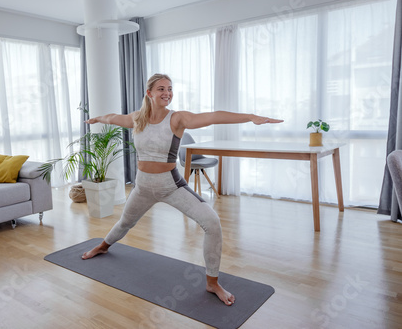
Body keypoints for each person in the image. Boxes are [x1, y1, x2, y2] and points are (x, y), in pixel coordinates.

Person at [81, 73, 283, 306]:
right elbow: (114, 117)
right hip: (143, 186)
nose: (167, 93)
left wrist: (249, 117)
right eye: (161, 89)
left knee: (212, 223)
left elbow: (213, 116)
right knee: (125, 223)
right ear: (149, 93)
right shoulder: (138, 118)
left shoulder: (177, 119)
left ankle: (212, 282)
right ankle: (103, 247)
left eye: (169, 89)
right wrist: (98, 118)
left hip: (171, 186)